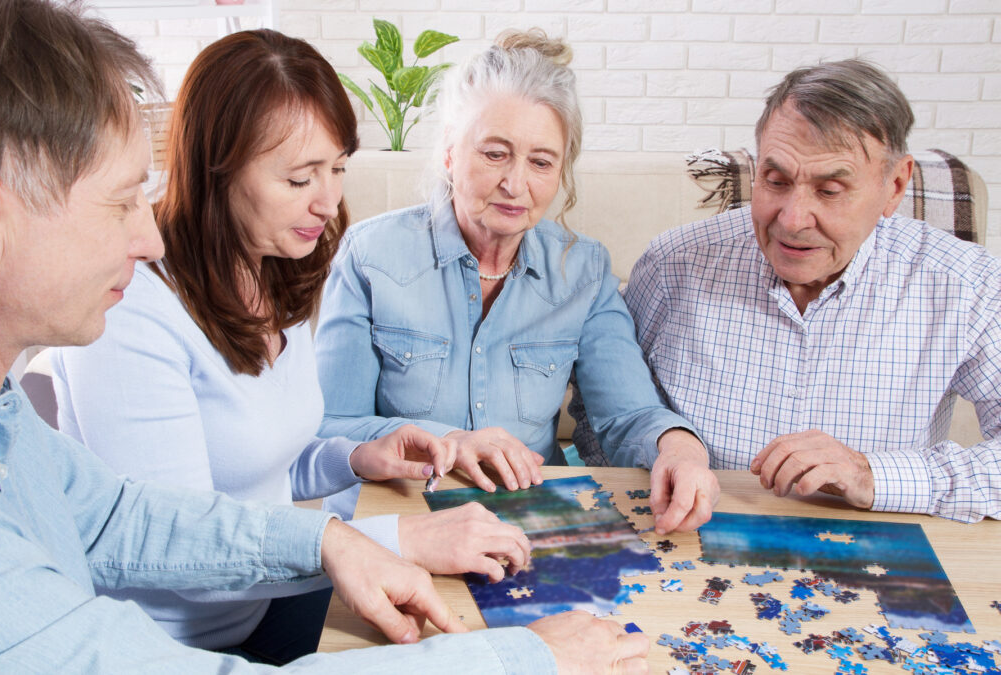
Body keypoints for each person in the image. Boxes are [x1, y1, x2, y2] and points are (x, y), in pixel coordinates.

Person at [0, 1, 649, 672]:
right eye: (120, 204)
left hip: (265, 603)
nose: (148, 239)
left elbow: (121, 517)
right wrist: (522, 659)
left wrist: (329, 536)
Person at [50, 28, 537, 664]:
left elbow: (257, 470)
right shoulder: (128, 310)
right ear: (215, 169)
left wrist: (355, 458)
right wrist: (401, 537)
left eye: (336, 169)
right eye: (299, 178)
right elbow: (181, 544)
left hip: (265, 605)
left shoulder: (276, 265)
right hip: (177, 648)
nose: (328, 200)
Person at [314, 29, 718, 535]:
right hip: (399, 527)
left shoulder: (584, 271)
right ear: (448, 153)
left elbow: (626, 414)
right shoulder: (370, 256)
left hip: (530, 530)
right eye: (494, 153)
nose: (516, 184)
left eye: (541, 162)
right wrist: (452, 440)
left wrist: (679, 447)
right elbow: (329, 428)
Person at [572, 59, 1001, 524]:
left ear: (894, 186)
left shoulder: (966, 286)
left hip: (873, 552)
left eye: (831, 189)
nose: (793, 220)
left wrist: (873, 475)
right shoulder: (672, 266)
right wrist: (664, 459)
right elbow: (599, 416)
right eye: (776, 182)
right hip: (686, 538)